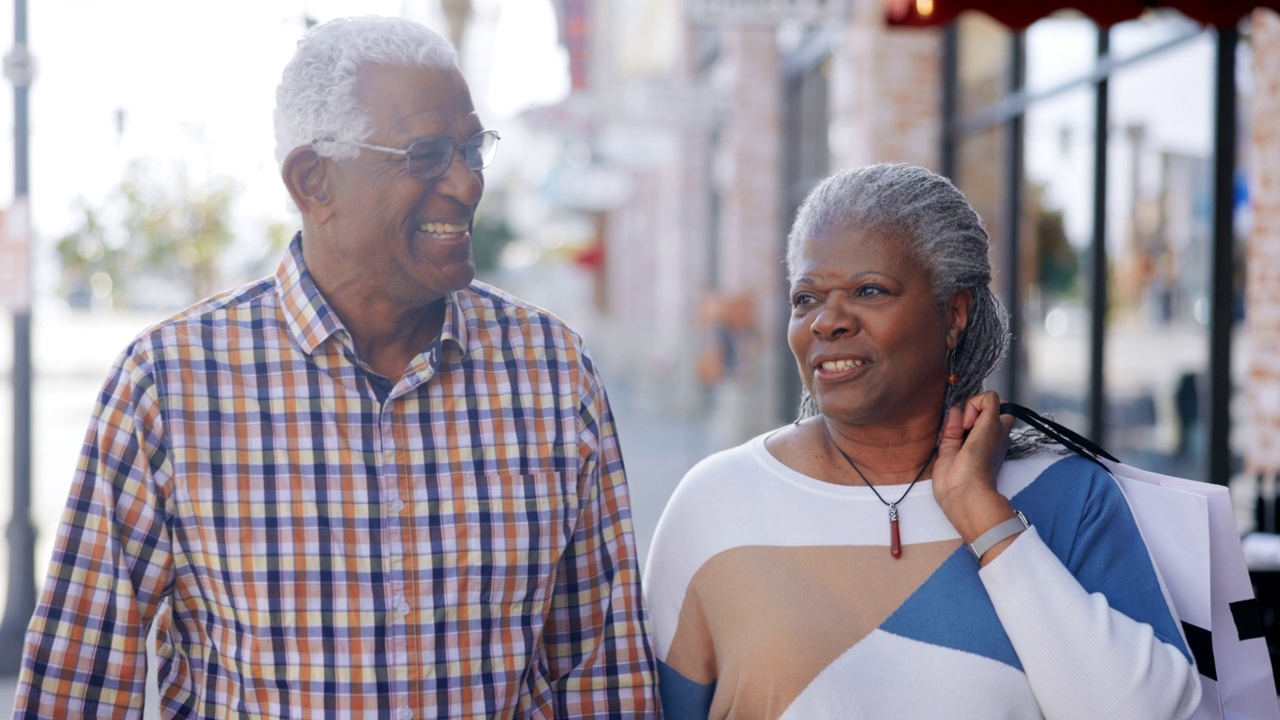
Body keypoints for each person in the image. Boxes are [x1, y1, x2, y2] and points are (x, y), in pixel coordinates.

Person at [15, 16, 658, 718]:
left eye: (473, 149)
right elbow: (75, 687)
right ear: (313, 181)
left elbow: (603, 679)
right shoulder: (168, 387)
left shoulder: (554, 376)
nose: (468, 183)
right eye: (427, 155)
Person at [644, 163, 1201, 718]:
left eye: (868, 290)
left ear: (953, 315)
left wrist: (985, 519)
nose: (825, 322)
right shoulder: (715, 502)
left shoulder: (1067, 496)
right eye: (805, 299)